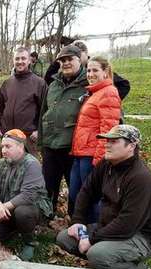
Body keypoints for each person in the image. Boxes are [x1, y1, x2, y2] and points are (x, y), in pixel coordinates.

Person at [57, 125, 151, 269]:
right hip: (109, 226)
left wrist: (91, 239)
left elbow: (128, 223)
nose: (107, 144)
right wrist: (78, 221)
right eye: (107, 140)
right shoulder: (107, 164)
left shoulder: (141, 178)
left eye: (114, 141)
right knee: (64, 238)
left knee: (97, 255)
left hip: (139, 235)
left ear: (132, 146)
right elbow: (87, 191)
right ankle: (103, 260)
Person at [0, 129, 53, 261]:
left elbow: (28, 195)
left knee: (22, 212)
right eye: (2, 147)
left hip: (32, 208)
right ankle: (14, 229)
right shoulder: (1, 164)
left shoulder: (32, 164)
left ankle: (30, 241)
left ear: (21, 147)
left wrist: (2, 207)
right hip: (7, 209)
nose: (4, 151)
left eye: (8, 146)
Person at [69, 56, 121, 218]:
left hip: (92, 156)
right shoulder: (94, 92)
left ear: (105, 72)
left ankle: (94, 233)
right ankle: (80, 229)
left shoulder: (109, 93)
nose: (90, 74)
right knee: (76, 194)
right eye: (89, 70)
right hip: (80, 152)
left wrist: (99, 161)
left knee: (92, 198)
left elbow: (109, 130)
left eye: (95, 70)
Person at [38, 45, 88, 214]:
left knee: (75, 187)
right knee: (48, 184)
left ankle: (74, 219)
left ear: (79, 59)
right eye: (62, 60)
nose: (66, 63)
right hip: (50, 145)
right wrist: (41, 142)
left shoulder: (88, 83)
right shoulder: (53, 85)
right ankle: (47, 214)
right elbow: (44, 113)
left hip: (73, 148)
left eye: (70, 59)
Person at [0, 47, 47, 156]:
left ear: (29, 61)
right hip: (7, 137)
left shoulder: (39, 83)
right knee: (7, 170)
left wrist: (39, 131)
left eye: (23, 58)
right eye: (17, 59)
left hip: (27, 138)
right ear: (13, 61)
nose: (20, 62)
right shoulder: (7, 83)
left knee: (26, 170)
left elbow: (46, 110)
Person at [45, 41, 130, 100]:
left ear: (85, 53)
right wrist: (58, 60)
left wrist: (108, 100)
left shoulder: (94, 68)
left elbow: (123, 84)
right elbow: (48, 78)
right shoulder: (68, 70)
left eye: (76, 55)